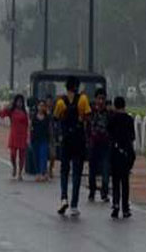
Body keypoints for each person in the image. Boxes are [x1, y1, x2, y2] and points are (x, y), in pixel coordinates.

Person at [54, 76, 91, 217]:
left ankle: (64, 198)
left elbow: (56, 119)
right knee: (76, 172)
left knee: (64, 171)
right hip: (79, 140)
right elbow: (88, 116)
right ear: (77, 86)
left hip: (66, 140)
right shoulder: (83, 100)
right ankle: (74, 204)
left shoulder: (60, 102)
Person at [109, 96, 136, 219]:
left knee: (115, 181)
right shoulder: (129, 119)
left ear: (115, 106)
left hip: (114, 152)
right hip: (126, 153)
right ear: (124, 105)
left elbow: (109, 134)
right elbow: (132, 137)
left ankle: (115, 205)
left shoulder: (112, 119)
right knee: (125, 181)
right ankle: (125, 208)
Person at [88, 88, 111, 202]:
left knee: (105, 169)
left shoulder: (109, 114)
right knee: (92, 170)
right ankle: (92, 191)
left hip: (105, 145)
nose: (101, 101)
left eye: (103, 99)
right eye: (99, 99)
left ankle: (104, 192)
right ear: (95, 99)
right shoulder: (91, 112)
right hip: (93, 144)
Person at [0, 94, 29, 180]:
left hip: (22, 136)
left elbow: (27, 125)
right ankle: (14, 166)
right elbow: (1, 114)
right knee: (13, 154)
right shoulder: (11, 111)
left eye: (21, 102)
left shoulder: (24, 113)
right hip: (14, 135)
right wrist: (8, 106)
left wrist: (28, 137)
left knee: (22, 156)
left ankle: (20, 173)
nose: (19, 103)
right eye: (18, 101)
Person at [31, 100, 51, 182]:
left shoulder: (47, 118)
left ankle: (43, 172)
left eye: (43, 105)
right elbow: (30, 128)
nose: (41, 107)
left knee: (43, 156)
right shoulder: (34, 117)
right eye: (40, 105)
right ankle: (38, 173)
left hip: (44, 139)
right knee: (36, 156)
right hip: (35, 139)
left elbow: (50, 128)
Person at [46, 94, 58, 178]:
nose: (50, 103)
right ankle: (44, 170)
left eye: (51, 101)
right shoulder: (42, 110)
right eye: (48, 101)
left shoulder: (55, 111)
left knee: (53, 155)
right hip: (44, 135)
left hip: (52, 135)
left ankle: (50, 169)